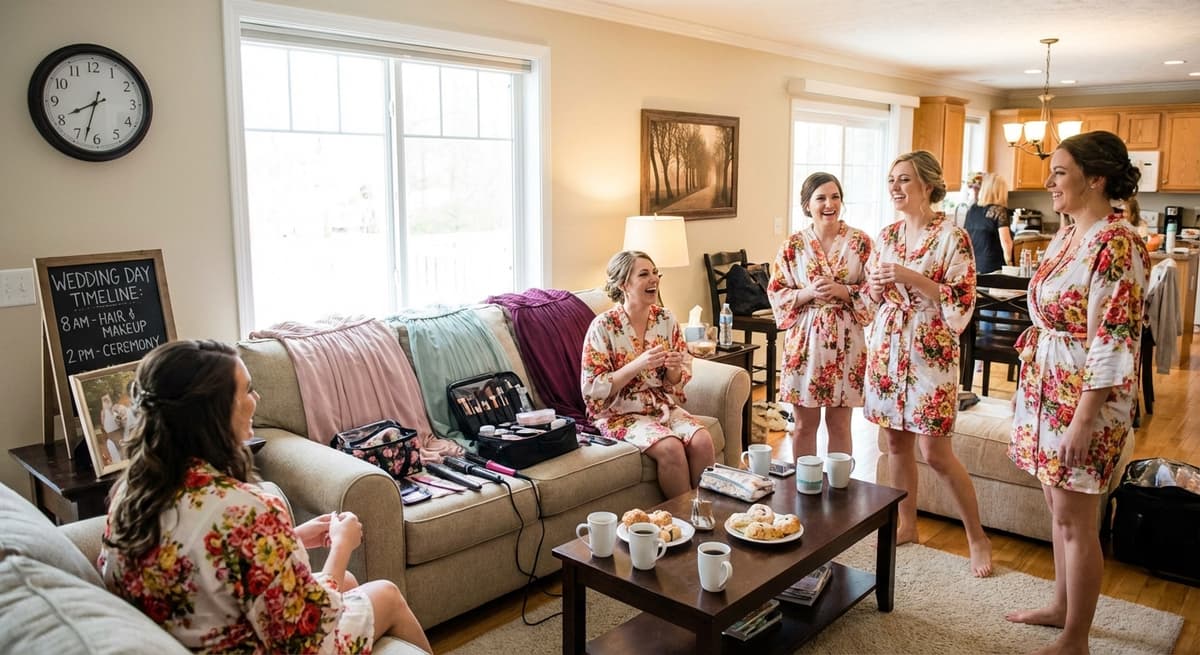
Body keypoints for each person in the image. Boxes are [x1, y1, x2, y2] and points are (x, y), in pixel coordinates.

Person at [98, 340, 431, 654]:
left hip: (190, 637)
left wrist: (290, 539)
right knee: (385, 593)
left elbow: (203, 559)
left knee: (348, 581)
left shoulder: (130, 494)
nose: (255, 398)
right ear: (215, 413)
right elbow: (305, 639)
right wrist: (343, 545)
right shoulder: (247, 510)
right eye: (246, 390)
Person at [1005, 130, 1149, 655]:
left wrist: (1083, 420)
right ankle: (1061, 606)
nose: (1049, 181)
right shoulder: (1068, 233)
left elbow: (1112, 342)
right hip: (1046, 386)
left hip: (1082, 400)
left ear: (1096, 179)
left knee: (1077, 520)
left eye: (1060, 171)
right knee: (1057, 510)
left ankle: (1076, 638)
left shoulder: (1117, 242)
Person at [863, 150, 993, 577]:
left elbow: (961, 299)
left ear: (928, 186)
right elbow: (872, 294)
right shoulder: (886, 235)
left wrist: (908, 276)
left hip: (930, 346)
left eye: (904, 180)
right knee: (895, 443)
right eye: (891, 180)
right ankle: (907, 525)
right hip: (889, 344)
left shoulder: (953, 237)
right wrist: (880, 287)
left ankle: (977, 536)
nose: (895, 188)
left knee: (935, 451)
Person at [581, 251, 716, 498]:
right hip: (619, 412)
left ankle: (707, 513)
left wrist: (674, 368)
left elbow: (676, 380)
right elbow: (593, 388)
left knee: (703, 440)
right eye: (644, 274)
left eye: (656, 273)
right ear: (624, 285)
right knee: (671, 447)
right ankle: (685, 519)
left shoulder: (666, 319)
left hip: (660, 405)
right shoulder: (602, 326)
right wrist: (638, 364)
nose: (654, 279)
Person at [767, 172, 872, 460]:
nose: (830, 204)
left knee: (839, 425)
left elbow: (876, 292)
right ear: (807, 205)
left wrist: (843, 291)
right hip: (805, 341)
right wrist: (809, 293)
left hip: (846, 341)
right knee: (804, 425)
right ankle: (805, 487)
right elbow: (776, 292)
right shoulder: (793, 246)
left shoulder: (861, 243)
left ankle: (840, 490)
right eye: (821, 198)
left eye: (835, 197)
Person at [964, 173, 1014, 273]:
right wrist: (1010, 264)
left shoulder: (972, 210)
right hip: (993, 267)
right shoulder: (999, 211)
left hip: (973, 267)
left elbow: (965, 238)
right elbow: (1006, 242)